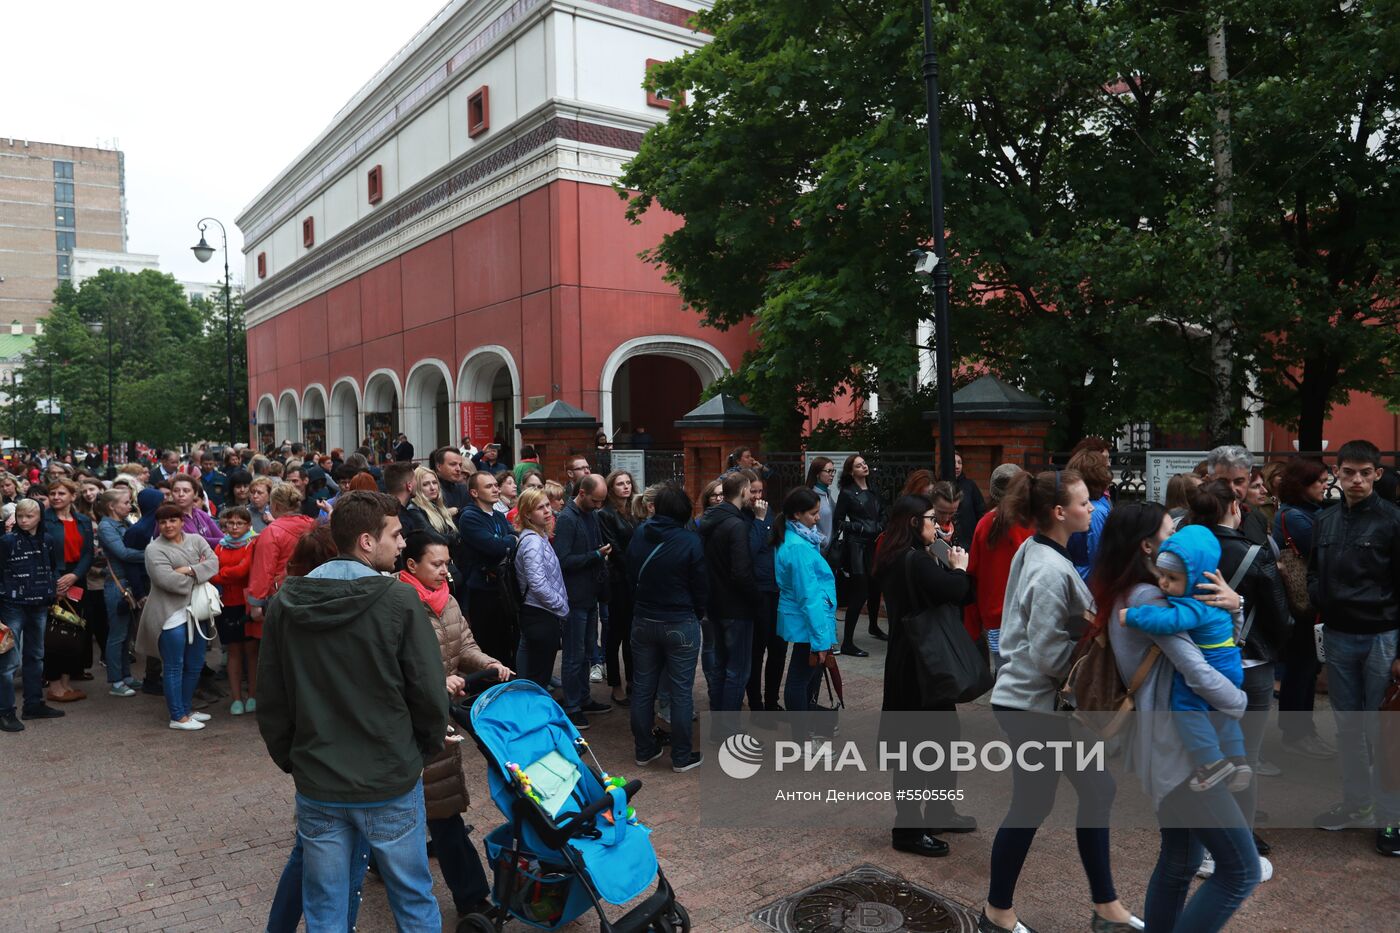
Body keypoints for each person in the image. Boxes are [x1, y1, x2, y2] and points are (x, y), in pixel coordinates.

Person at [257, 491, 448, 931]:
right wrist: (418, 752)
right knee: (412, 899)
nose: (402, 545)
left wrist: (295, 758)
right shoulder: (398, 601)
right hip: (386, 776)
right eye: (396, 535)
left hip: (322, 776)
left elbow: (272, 698)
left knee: (326, 907)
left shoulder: (288, 602)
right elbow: (429, 693)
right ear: (366, 541)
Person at [981, 469, 1142, 933]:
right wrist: (1098, 641)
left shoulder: (1039, 550)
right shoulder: (1050, 567)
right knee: (1032, 805)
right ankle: (997, 913)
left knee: (1096, 790)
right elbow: (1051, 655)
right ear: (1059, 512)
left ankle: (1106, 907)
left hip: (1037, 707)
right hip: (1032, 708)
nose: (1092, 509)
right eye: (1084, 502)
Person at [1099, 502, 1258, 933]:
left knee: (1181, 859)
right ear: (1148, 545)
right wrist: (1239, 702)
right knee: (1239, 871)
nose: (1178, 538)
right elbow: (1200, 670)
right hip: (1184, 752)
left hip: (1167, 746)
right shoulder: (1153, 599)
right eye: (1170, 532)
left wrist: (1236, 603)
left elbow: (1218, 640)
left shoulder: (1136, 591)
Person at [398, 531, 509, 918]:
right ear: (411, 565)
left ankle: (470, 896)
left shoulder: (448, 602)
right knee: (437, 812)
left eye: (448, 563)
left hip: (440, 714)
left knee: (440, 808)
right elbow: (395, 665)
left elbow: (464, 648)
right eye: (437, 564)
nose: (446, 572)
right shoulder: (398, 605)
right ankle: (472, 898)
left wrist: (489, 664)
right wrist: (434, 680)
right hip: (409, 718)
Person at [1306, 439, 1400, 854]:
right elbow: (1313, 572)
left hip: (1382, 635)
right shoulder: (1324, 521)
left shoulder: (1393, 521)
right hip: (1340, 634)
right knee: (1348, 728)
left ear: (1377, 474)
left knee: (1385, 731)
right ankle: (1357, 804)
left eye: (1365, 472)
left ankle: (1391, 816)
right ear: (1337, 474)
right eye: (1349, 472)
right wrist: (1320, 600)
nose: (1357, 480)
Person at [875, 493, 975, 858]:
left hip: (914, 659)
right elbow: (958, 591)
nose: (938, 525)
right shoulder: (914, 560)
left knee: (942, 739)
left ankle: (937, 811)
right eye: (932, 518)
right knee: (918, 748)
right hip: (920, 663)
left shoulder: (899, 555)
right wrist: (960, 567)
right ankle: (908, 829)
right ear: (914, 523)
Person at [1120, 524, 1252, 791]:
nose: (1164, 583)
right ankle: (1237, 759)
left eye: (1173, 578)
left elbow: (1171, 621)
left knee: (1186, 708)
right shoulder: (1209, 597)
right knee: (1222, 713)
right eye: (1162, 574)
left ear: (1193, 578)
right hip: (1228, 658)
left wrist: (1133, 616)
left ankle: (1211, 762)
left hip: (1213, 660)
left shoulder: (1196, 602)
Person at [628, 483, 707, 773]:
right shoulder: (690, 542)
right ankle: (682, 756)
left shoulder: (639, 534)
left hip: (644, 619)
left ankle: (644, 749)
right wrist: (697, 613)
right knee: (681, 691)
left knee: (643, 687)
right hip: (680, 620)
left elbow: (629, 574)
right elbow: (700, 586)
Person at [135, 504, 220, 731]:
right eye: (163, 522)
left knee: (194, 664)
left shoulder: (196, 540)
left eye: (173, 520)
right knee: (174, 665)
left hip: (198, 610)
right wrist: (199, 571)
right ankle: (177, 716)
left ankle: (185, 708)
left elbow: (214, 564)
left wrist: (188, 570)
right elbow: (167, 581)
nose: (168, 525)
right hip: (169, 613)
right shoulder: (154, 549)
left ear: (182, 521)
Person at [1271, 457, 1334, 759]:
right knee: (1301, 669)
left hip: (1310, 604)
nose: (1325, 485)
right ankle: (1296, 733)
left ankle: (1302, 730)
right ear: (1302, 485)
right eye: (1319, 481)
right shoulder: (1296, 517)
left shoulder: (1310, 512)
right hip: (1302, 606)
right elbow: (1327, 553)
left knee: (1307, 668)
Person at [697, 471, 761, 734]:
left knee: (722, 666)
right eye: (750, 490)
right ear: (744, 491)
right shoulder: (735, 525)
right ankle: (727, 731)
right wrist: (757, 600)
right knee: (738, 670)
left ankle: (719, 727)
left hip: (714, 603)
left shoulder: (707, 520)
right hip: (736, 607)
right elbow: (742, 572)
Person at [774, 487, 837, 742]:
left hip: (807, 620)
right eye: (813, 514)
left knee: (806, 676)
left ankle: (806, 730)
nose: (818, 518)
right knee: (800, 680)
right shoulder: (799, 547)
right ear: (797, 515)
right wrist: (822, 639)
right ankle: (801, 737)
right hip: (808, 622)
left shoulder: (799, 539)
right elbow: (808, 596)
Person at [552, 474, 613, 729]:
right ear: (583, 493)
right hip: (575, 597)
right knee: (574, 655)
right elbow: (563, 560)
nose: (599, 505)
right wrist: (595, 555)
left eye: (601, 501)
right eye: (595, 500)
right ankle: (572, 705)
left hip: (589, 594)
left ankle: (584, 698)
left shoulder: (591, 515)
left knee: (587, 651)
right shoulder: (567, 519)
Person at [0, 499, 62, 730]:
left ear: (39, 517)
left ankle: (33, 704)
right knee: (8, 661)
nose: (24, 520)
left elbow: (54, 566)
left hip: (39, 604)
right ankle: (5, 710)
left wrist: (51, 589)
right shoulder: (6, 542)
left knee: (36, 655)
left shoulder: (47, 540)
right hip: (12, 604)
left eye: (30, 516)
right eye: (20, 516)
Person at [963, 464, 1032, 671]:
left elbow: (972, 572)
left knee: (1004, 674)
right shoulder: (1028, 523)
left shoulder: (984, 523)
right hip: (1023, 613)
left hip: (994, 615)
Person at [456, 470, 518, 665]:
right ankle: (488, 689)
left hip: (503, 587)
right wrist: (507, 541)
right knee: (488, 644)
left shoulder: (499, 516)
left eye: (495, 485)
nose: (495, 489)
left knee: (507, 640)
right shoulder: (469, 517)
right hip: (482, 589)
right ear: (474, 492)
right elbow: (495, 547)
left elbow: (513, 538)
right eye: (489, 486)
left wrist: (506, 541)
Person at [42, 478, 94, 703]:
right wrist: (57, 582)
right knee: (54, 633)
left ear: (73, 496)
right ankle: (54, 685)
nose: (56, 497)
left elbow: (88, 554)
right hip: (52, 579)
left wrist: (75, 575)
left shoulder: (82, 521)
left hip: (77, 579)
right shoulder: (44, 521)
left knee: (74, 632)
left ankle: (65, 683)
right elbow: (43, 554)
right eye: (52, 493)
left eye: (61, 493)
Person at [512, 487, 569, 687]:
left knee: (533, 675)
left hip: (540, 612)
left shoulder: (540, 537)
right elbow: (537, 583)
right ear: (527, 514)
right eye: (540, 507)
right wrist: (560, 605)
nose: (547, 511)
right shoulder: (533, 543)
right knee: (538, 678)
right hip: (539, 613)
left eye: (547, 505)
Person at [832, 453, 886, 656]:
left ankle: (873, 626)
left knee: (875, 587)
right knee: (860, 592)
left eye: (864, 463)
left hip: (874, 545)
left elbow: (882, 513)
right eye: (858, 465)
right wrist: (859, 527)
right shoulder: (847, 493)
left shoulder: (874, 489)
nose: (864, 466)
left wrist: (880, 525)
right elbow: (838, 521)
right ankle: (848, 642)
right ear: (851, 471)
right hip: (857, 546)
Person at [95, 488, 144, 697]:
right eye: (125, 502)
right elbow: (122, 553)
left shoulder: (124, 523)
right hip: (117, 585)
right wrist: (151, 553)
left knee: (125, 636)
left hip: (126, 583)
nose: (129, 506)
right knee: (117, 634)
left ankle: (126, 676)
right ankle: (116, 681)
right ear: (111, 506)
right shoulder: (106, 526)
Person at [245, 484, 316, 626]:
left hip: (282, 596)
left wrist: (256, 602)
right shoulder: (313, 525)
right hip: (312, 593)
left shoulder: (272, 532)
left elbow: (264, 569)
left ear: (275, 505)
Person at [212, 506, 259, 715]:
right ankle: (236, 698)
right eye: (230, 523)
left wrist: (222, 574)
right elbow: (211, 572)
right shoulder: (220, 547)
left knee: (251, 652)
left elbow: (243, 570)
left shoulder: (252, 543)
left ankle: (253, 696)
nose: (234, 527)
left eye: (240, 523)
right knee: (233, 652)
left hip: (246, 603)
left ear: (248, 525)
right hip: (227, 604)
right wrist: (225, 574)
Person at [744, 472, 784, 714]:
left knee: (778, 649)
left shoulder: (770, 514)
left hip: (776, 588)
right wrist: (758, 521)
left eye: (761, 492)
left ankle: (772, 701)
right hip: (757, 590)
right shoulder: (745, 517)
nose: (758, 497)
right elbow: (750, 549)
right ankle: (756, 703)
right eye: (753, 492)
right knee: (756, 650)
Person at [597, 470, 638, 706]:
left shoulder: (635, 510)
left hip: (634, 579)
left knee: (633, 633)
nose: (625, 487)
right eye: (620, 484)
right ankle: (615, 683)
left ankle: (633, 679)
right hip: (617, 579)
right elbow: (614, 548)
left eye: (628, 483)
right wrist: (633, 568)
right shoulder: (606, 514)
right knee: (615, 634)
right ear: (611, 488)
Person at [1207, 445, 1271, 547]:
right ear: (1209, 480)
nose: (1231, 489)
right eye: (1223, 481)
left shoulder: (1258, 519)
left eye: (1239, 481)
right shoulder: (1192, 523)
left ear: (1249, 479)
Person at [1067, 447, 1114, 582]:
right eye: (1105, 468)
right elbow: (1099, 559)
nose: (1109, 467)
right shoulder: (1095, 511)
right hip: (1088, 582)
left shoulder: (1095, 502)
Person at [169, 474, 222, 549]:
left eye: (186, 491)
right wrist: (226, 541)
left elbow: (220, 536)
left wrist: (226, 541)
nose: (181, 494)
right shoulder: (168, 518)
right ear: (172, 494)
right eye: (176, 491)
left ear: (195, 494)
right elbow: (197, 542)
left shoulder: (201, 514)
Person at [951, 451, 988, 550]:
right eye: (954, 462)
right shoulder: (939, 485)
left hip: (969, 544)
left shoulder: (970, 486)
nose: (957, 466)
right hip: (947, 544)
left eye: (960, 462)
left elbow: (981, 513)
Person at [806, 457, 838, 552]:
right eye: (828, 471)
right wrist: (823, 541)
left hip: (829, 551)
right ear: (817, 474)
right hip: (817, 550)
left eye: (833, 471)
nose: (832, 475)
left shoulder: (827, 494)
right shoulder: (810, 496)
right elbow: (804, 525)